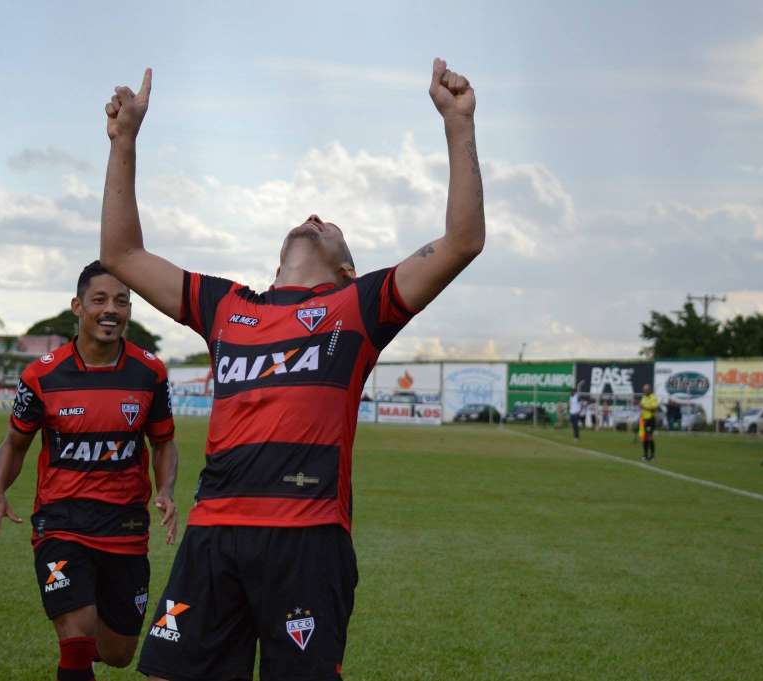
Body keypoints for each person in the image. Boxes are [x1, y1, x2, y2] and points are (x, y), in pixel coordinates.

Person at [99, 59, 485, 681]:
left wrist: (458, 126)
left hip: (308, 541)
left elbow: (461, 241)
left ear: (346, 272)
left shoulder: (356, 309)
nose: (314, 214)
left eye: (332, 225)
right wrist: (124, 143)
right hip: (213, 534)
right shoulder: (228, 306)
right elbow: (121, 254)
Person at [0, 262, 180, 681]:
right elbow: (15, 443)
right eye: (100, 299)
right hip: (62, 521)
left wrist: (166, 490)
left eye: (121, 301)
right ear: (78, 306)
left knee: (118, 652)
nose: (111, 310)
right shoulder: (42, 375)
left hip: (124, 524)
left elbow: (163, 442)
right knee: (76, 638)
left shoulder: (149, 372)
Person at [639, 384, 659, 461]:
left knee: (650, 437)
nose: (644, 391)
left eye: (646, 390)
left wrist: (644, 407)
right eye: (644, 390)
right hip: (644, 419)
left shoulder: (653, 397)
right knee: (644, 438)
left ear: (649, 390)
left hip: (650, 419)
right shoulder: (644, 397)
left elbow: (654, 408)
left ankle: (652, 455)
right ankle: (645, 455)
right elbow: (642, 407)